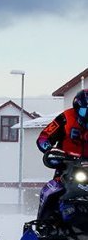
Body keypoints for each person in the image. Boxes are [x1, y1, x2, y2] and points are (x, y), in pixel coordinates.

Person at [36, 89, 88, 222]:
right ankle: (44, 222)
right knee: (54, 189)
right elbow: (44, 137)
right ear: (77, 109)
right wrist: (52, 151)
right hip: (67, 165)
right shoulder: (65, 118)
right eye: (84, 111)